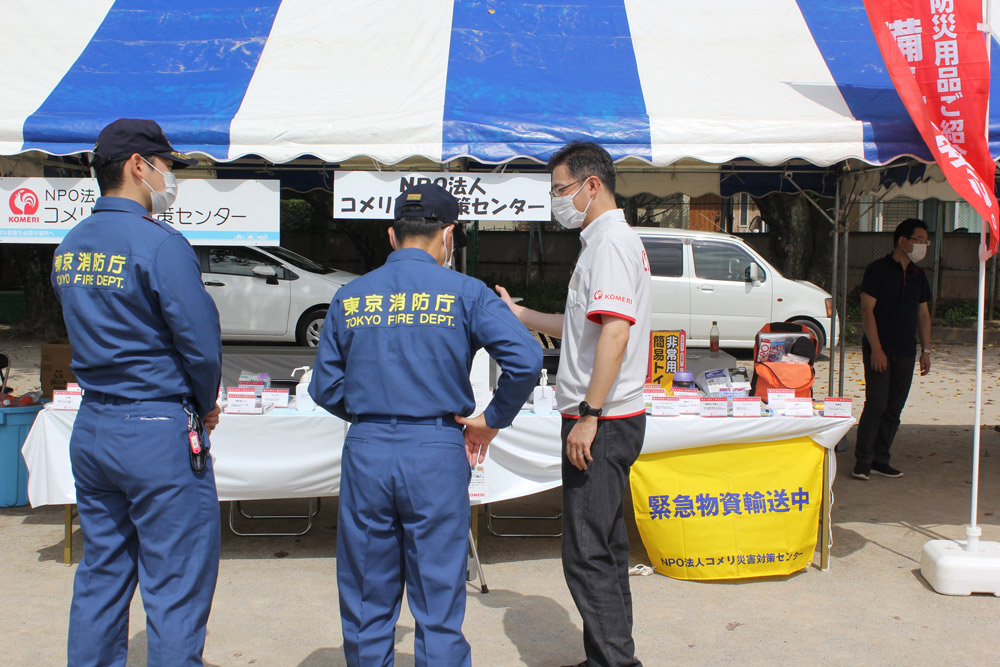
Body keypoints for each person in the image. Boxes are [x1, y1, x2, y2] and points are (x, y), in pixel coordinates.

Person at [309, 183, 542, 666]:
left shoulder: (351, 295)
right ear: (449, 235)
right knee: (438, 596)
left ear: (393, 236)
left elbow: (323, 387)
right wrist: (490, 421)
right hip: (436, 449)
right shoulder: (466, 292)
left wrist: (370, 412)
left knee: (366, 594)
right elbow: (526, 357)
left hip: (368, 448)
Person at [51, 118, 223, 665]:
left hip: (95, 423)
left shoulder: (71, 245)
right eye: (167, 165)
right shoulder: (160, 244)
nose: (170, 176)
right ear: (137, 166)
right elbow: (200, 346)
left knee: (102, 571)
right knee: (174, 584)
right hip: (156, 431)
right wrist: (205, 403)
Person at [496, 141, 651, 667]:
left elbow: (614, 334)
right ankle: (606, 655)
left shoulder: (609, 244)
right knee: (604, 547)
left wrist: (590, 413)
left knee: (586, 552)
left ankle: (616, 662)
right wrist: (521, 315)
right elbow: (583, 327)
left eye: (561, 188)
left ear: (592, 185)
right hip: (610, 417)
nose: (557, 199)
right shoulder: (605, 242)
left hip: (602, 421)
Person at [852, 217, 932, 481]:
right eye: (919, 240)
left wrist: (926, 350)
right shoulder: (878, 269)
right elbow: (867, 311)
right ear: (903, 241)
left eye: (925, 241)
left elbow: (923, 315)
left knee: (894, 408)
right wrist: (876, 348)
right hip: (880, 349)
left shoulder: (919, 276)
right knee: (877, 402)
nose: (923, 245)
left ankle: (880, 459)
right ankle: (862, 460)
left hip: (906, 351)